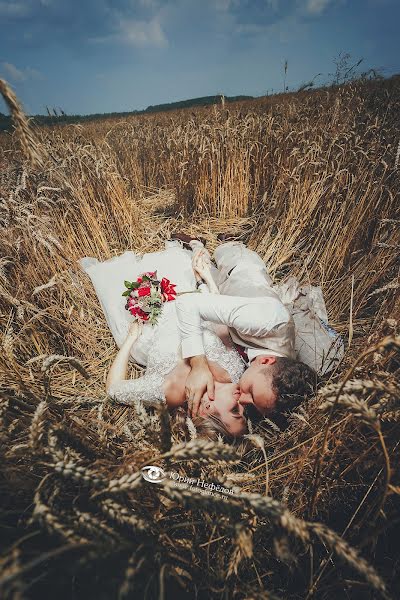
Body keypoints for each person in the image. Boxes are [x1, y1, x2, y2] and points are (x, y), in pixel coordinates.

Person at [79, 240, 248, 441]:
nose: (243, 401)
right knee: (181, 263)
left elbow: (114, 390)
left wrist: (130, 339)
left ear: (206, 408)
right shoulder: (236, 372)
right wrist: (206, 281)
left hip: (152, 320)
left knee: (122, 280)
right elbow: (219, 325)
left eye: (235, 410)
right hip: (188, 299)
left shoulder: (169, 391)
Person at [173, 235, 343, 420]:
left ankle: (196, 243)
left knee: (200, 267)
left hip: (225, 301)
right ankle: (230, 240)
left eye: (253, 405)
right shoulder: (267, 321)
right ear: (267, 361)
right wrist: (198, 365)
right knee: (223, 251)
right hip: (238, 270)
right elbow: (187, 304)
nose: (243, 400)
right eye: (251, 393)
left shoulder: (276, 372)